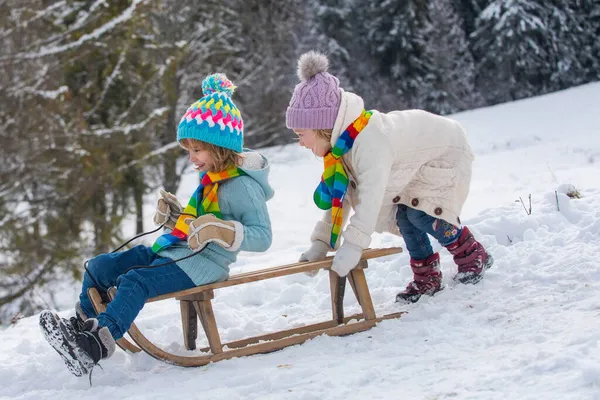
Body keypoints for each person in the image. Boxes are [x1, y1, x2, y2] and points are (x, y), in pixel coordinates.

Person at [39, 73, 274, 378]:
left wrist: (223, 231)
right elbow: (198, 225)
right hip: (176, 250)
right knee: (100, 266)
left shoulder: (242, 187)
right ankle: (80, 328)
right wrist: (175, 218)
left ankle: (95, 346)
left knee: (135, 280)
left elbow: (263, 236)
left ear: (219, 147)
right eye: (188, 150)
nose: (191, 158)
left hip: (203, 265)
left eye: (197, 150)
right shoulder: (212, 178)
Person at [288, 51, 493, 304]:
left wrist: (353, 245)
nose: (300, 143)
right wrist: (320, 244)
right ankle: (427, 276)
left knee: (421, 213)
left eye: (301, 134)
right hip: (417, 160)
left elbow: (370, 198)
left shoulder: (369, 141)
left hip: (445, 150)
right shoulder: (341, 149)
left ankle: (473, 255)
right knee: (405, 215)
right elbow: (342, 198)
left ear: (322, 128)